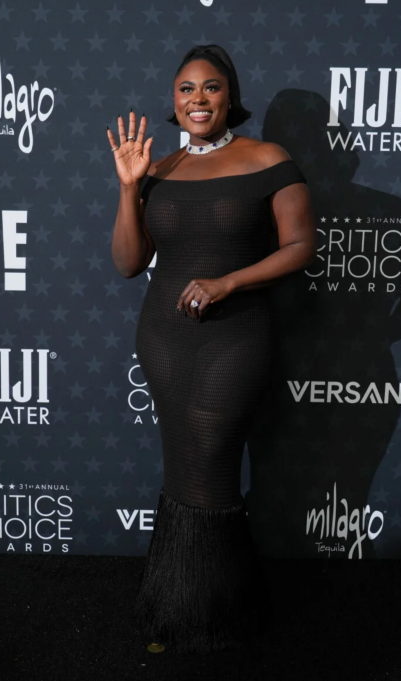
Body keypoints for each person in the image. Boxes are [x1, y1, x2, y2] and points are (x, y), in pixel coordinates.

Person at [107, 44, 317, 654]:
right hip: (164, 338)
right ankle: (186, 611)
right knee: (184, 465)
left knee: (211, 460)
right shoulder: (160, 167)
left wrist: (229, 282)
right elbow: (128, 264)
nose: (197, 99)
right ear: (173, 101)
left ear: (231, 97)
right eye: (185, 89)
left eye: (211, 87)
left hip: (236, 334)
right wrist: (128, 188)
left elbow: (301, 245)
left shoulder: (268, 158)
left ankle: (211, 612)